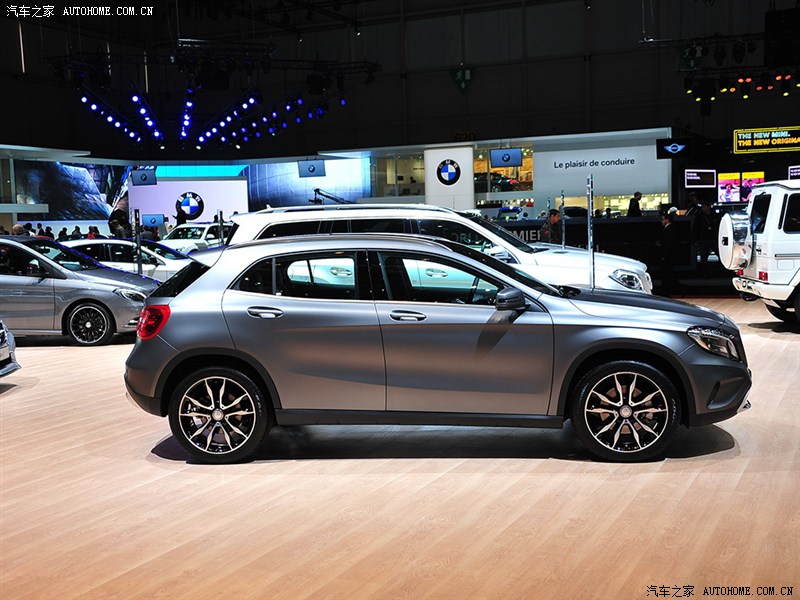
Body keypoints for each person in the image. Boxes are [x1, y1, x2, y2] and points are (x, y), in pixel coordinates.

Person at [691, 202, 719, 276]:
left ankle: (721, 270)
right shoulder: (699, 216)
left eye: (704, 207)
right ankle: (704, 273)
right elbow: (695, 228)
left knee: (719, 254)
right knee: (703, 257)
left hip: (714, 238)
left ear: (708, 207)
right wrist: (695, 239)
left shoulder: (715, 215)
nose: (702, 208)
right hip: (704, 239)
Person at [658, 211, 680, 297]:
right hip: (669, 255)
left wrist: (664, 255)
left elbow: (668, 244)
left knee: (666, 274)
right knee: (667, 274)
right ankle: (667, 291)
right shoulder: (671, 229)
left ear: (667, 220)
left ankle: (667, 291)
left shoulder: (669, 230)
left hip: (667, 256)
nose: (661, 221)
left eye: (663, 220)